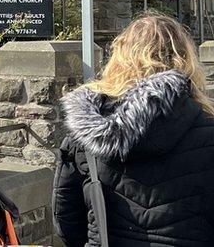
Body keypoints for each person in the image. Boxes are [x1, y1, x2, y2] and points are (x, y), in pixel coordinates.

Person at [53, 12, 214, 247]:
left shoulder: (86, 136)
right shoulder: (208, 133)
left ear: (117, 59)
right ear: (186, 60)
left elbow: (66, 219)